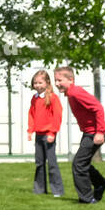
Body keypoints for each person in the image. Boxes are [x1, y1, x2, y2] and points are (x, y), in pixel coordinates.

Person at [54, 66, 105, 204]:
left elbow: (98, 108)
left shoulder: (76, 93)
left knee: (78, 164)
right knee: (82, 163)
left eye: (60, 80)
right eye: (55, 80)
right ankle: (100, 183)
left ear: (71, 79)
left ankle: (87, 198)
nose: (56, 83)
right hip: (89, 132)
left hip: (95, 133)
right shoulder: (71, 93)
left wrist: (100, 132)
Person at [27, 69, 64, 197]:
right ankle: (39, 189)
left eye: (40, 82)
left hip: (49, 135)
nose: (37, 85)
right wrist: (30, 130)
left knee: (52, 163)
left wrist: (52, 132)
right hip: (39, 134)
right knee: (39, 163)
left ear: (47, 82)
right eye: (35, 83)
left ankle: (57, 190)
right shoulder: (35, 98)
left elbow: (57, 116)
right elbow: (31, 114)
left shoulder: (53, 98)